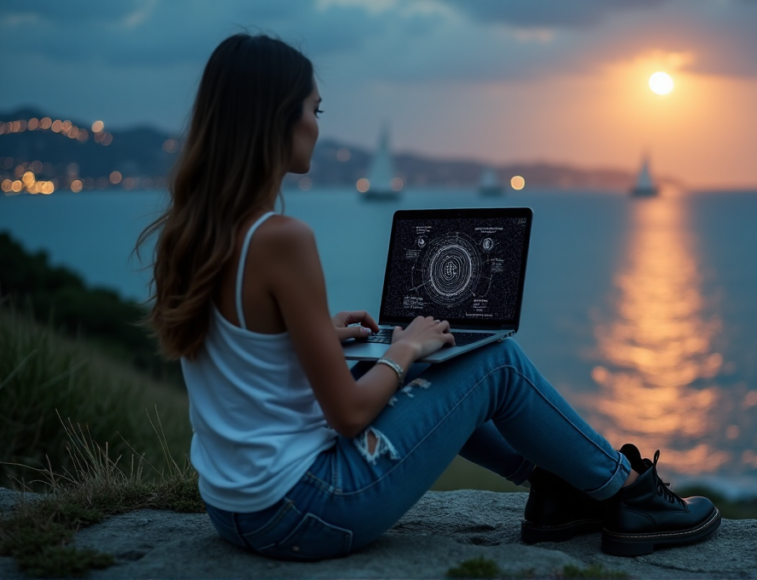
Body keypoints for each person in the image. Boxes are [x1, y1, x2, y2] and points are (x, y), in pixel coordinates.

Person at [136, 33, 720, 560]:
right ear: (275, 119)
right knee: (494, 362)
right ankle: (630, 494)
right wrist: (405, 349)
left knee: (445, 359)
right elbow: (348, 414)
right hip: (311, 507)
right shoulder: (281, 238)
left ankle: (559, 487)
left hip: (235, 509)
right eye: (314, 110)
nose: (318, 125)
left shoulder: (191, 233)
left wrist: (310, 333)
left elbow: (238, 350)